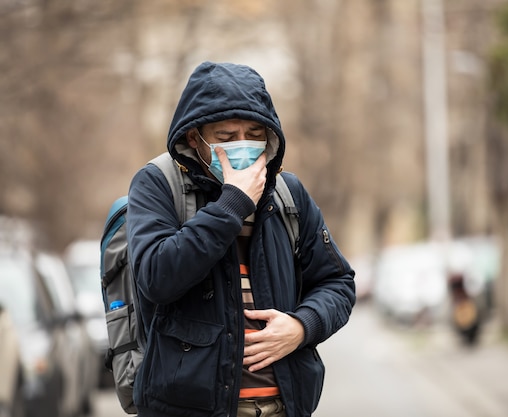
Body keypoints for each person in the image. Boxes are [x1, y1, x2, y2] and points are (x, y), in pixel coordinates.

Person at [126, 61, 356, 417]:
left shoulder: (287, 193)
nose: (244, 145)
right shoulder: (157, 184)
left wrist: (302, 325)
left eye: (253, 133)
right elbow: (156, 278)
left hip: (284, 407)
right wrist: (232, 203)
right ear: (194, 138)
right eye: (226, 137)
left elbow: (337, 282)